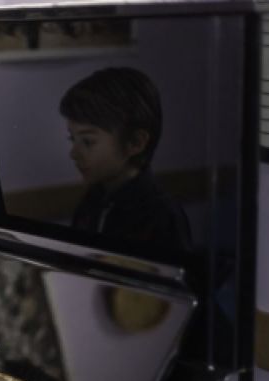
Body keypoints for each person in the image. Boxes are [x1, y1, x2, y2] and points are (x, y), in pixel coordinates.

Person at [60, 67, 192, 253]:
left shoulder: (161, 216)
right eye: (73, 139)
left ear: (135, 142)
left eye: (88, 142)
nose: (73, 153)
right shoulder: (91, 201)